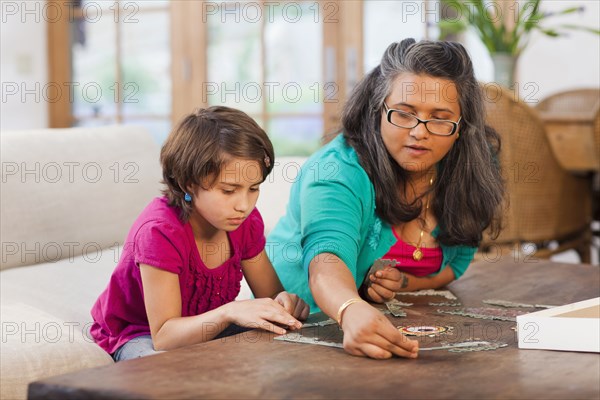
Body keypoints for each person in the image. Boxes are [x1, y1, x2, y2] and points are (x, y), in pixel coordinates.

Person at [267, 38, 504, 359]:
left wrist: (400, 283)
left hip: (394, 328)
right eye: (404, 114)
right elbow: (325, 261)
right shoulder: (335, 170)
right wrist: (351, 307)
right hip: (295, 333)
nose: (420, 131)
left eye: (439, 118)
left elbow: (455, 263)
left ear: (461, 127)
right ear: (377, 110)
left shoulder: (469, 166)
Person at [91, 106, 310, 361]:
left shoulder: (244, 222)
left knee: (289, 343)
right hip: (142, 333)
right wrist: (229, 312)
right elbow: (164, 335)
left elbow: (270, 295)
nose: (244, 204)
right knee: (162, 374)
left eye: (253, 188)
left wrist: (283, 302)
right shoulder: (160, 232)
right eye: (229, 190)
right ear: (188, 183)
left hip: (208, 325)